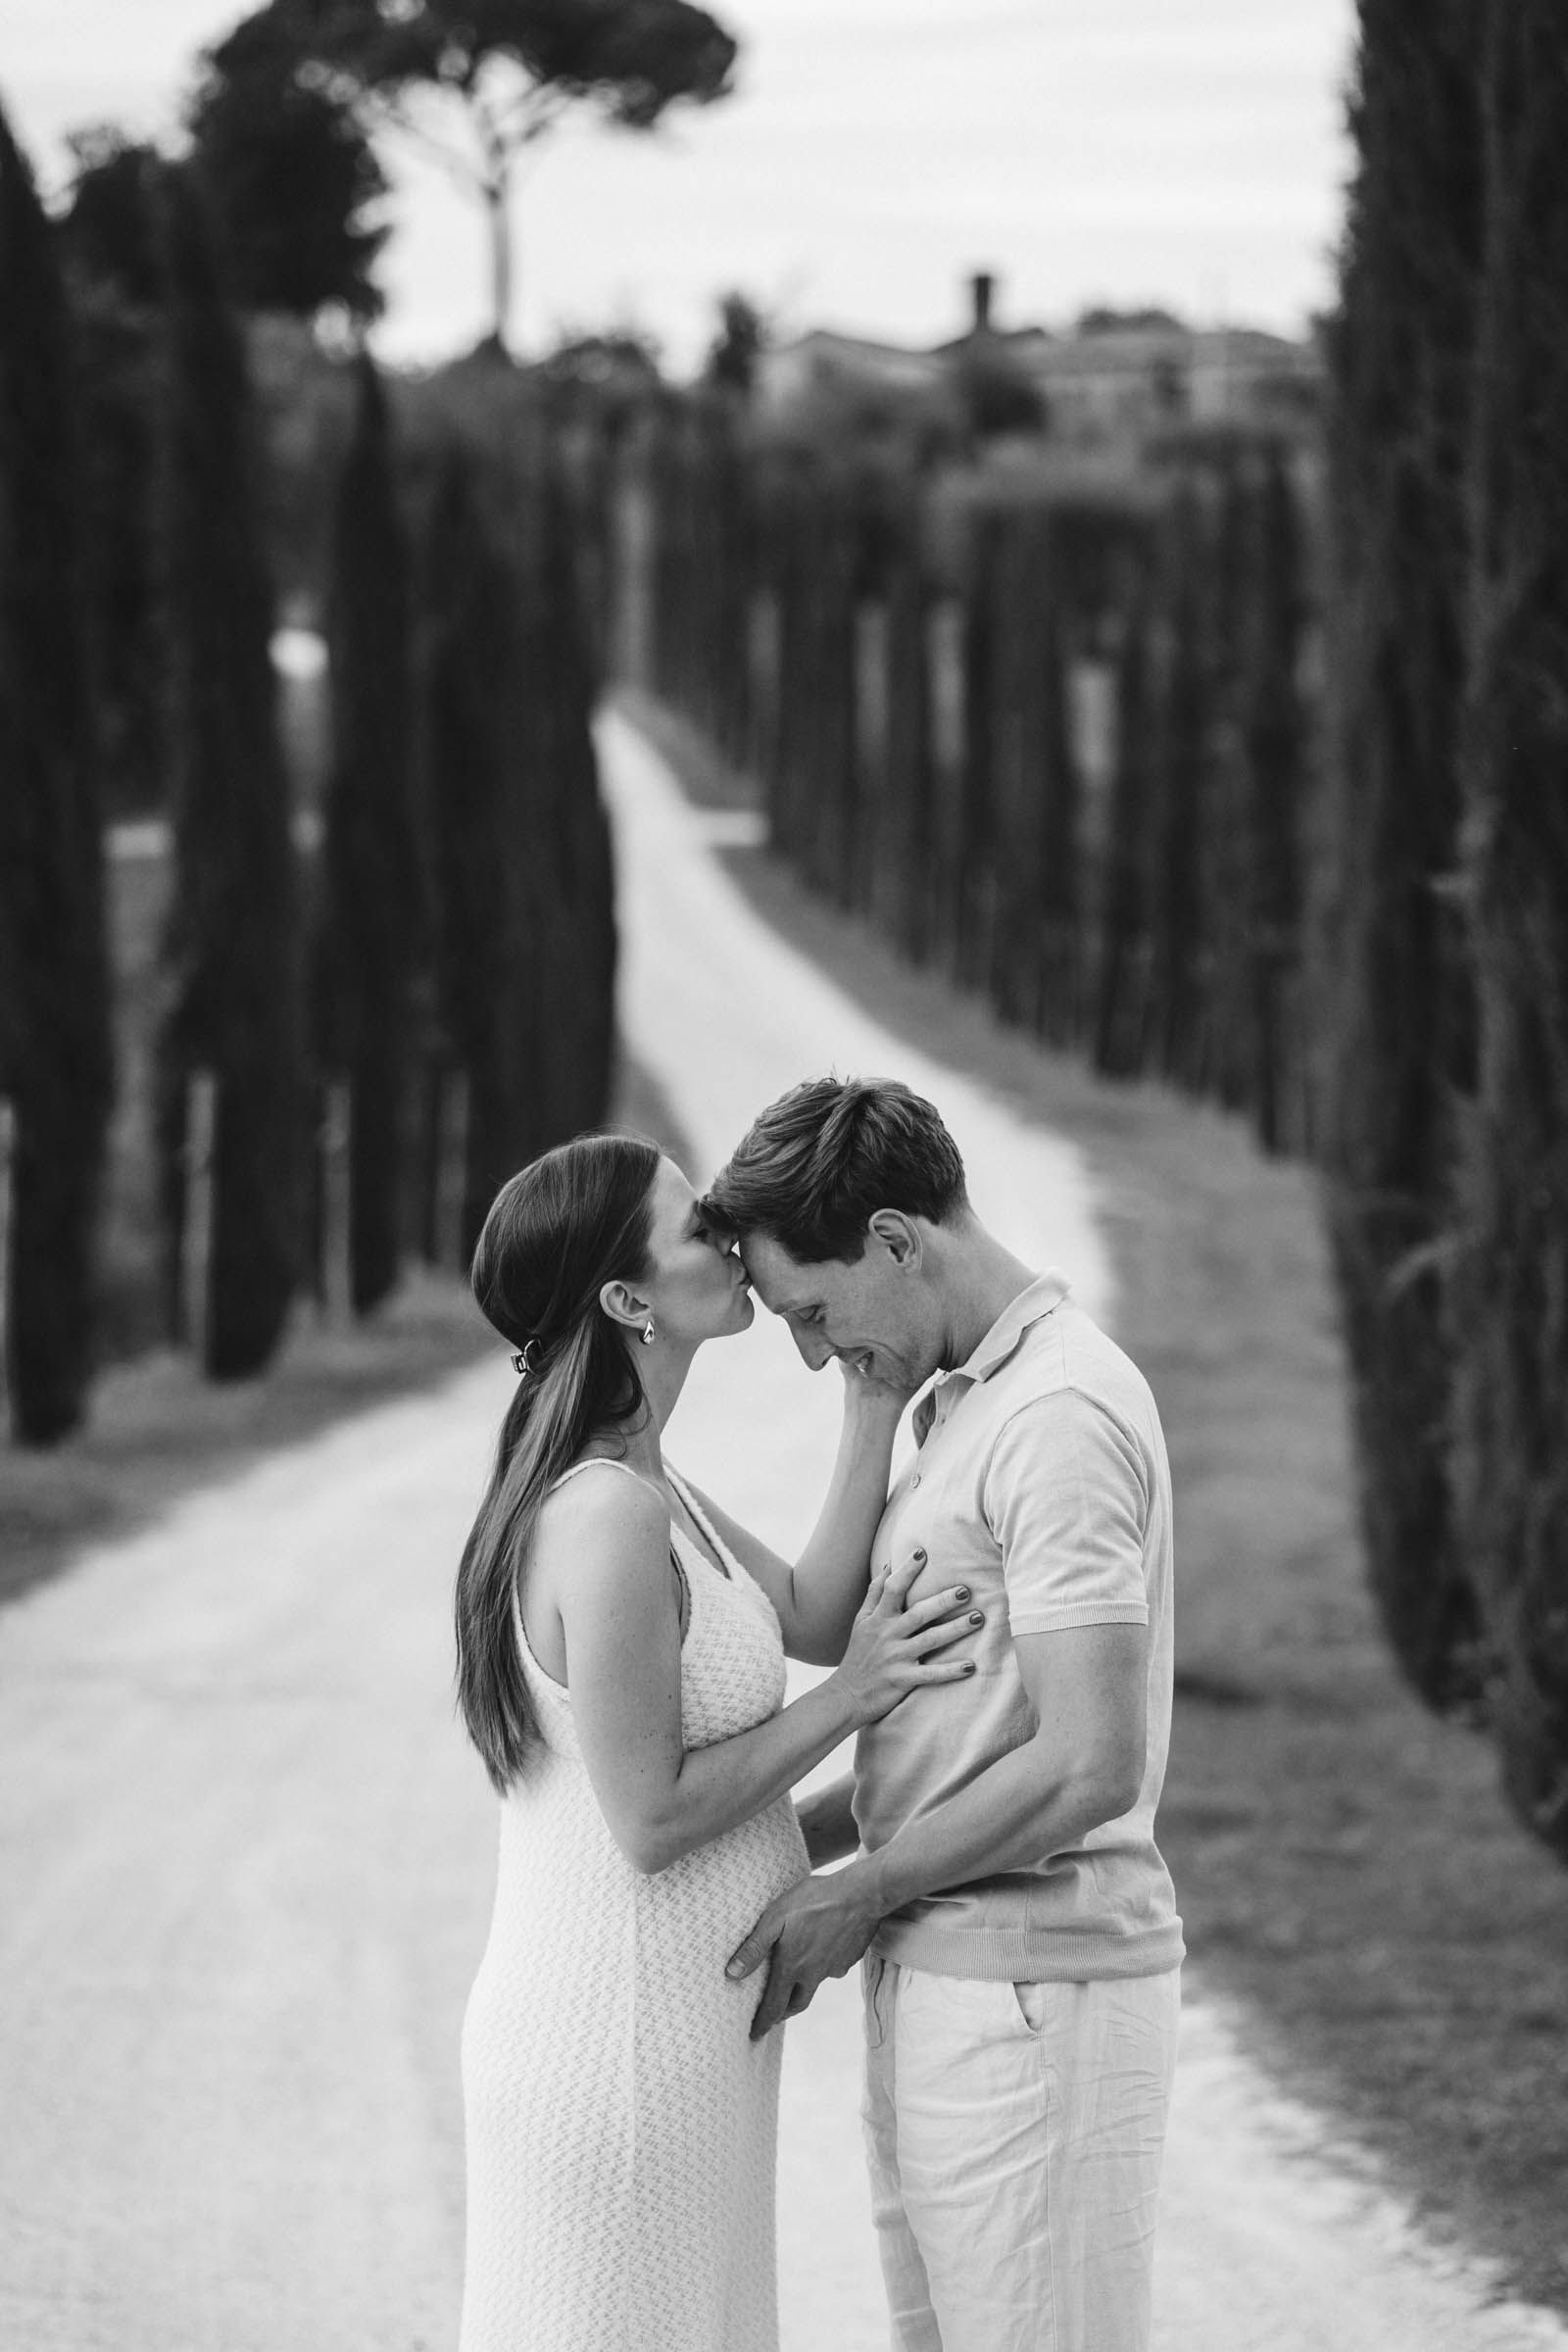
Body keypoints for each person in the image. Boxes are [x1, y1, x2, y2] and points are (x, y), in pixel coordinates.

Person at [454, 1130, 983, 2352]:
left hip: (677, 2040)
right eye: (697, 1226)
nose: (731, 1239)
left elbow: (810, 1614)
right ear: (628, 1300)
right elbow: (650, 1820)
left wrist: (869, 1402)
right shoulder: (606, 1514)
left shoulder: (649, 1484)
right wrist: (854, 1700)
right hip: (617, 2048)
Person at [703, 1075, 1184, 2352]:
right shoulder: (964, 1402)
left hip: (1033, 2001)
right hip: (944, 1981)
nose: (814, 1355)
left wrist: (858, 1891)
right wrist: (765, 1838)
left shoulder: (1056, 1415)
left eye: (813, 1314)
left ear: (895, 1240)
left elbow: (1088, 1761)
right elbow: (955, 1733)